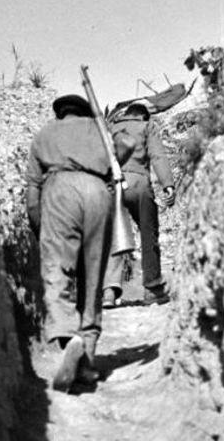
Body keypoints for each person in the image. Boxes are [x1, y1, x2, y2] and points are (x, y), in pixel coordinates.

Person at [25, 94, 134, 391]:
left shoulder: (45, 134)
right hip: (99, 191)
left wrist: (39, 225)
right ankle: (86, 353)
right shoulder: (98, 128)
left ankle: (67, 334)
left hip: (60, 192)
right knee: (93, 274)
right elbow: (129, 145)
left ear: (61, 114)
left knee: (56, 272)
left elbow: (33, 189)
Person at [105, 101, 176, 305]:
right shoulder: (147, 126)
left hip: (112, 185)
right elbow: (157, 155)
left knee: (113, 235)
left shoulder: (111, 127)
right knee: (148, 232)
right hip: (138, 183)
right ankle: (152, 288)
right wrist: (167, 184)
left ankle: (109, 290)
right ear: (144, 116)